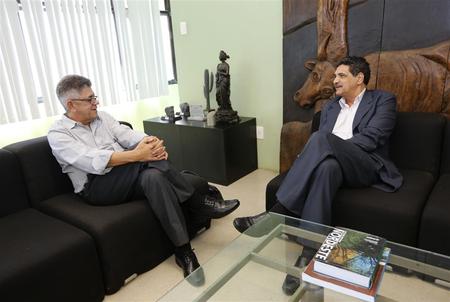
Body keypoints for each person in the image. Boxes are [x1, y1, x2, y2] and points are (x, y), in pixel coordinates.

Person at [48, 75, 240, 286]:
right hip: (95, 186)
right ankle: (198, 202)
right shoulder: (58, 134)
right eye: (90, 99)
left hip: (127, 175)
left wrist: (149, 142)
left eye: (95, 97)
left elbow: (127, 134)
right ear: (71, 104)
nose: (96, 102)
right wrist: (139, 155)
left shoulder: (102, 117)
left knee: (154, 177)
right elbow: (92, 161)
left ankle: (183, 251)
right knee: (148, 163)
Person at [233, 56, 403, 294]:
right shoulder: (331, 106)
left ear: (360, 78)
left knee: (322, 140)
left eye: (341, 75)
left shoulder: (383, 100)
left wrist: (336, 146)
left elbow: (374, 137)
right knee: (326, 168)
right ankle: (308, 254)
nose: (335, 80)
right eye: (335, 76)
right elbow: (324, 147)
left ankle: (277, 212)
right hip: (333, 163)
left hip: (365, 164)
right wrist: (332, 150)